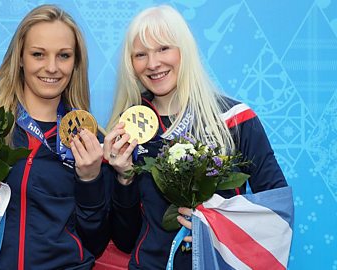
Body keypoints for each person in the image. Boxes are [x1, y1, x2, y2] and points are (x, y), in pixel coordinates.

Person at [103, 5, 289, 269]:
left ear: (184, 50)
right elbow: (124, 239)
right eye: (141, 54)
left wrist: (218, 227)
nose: (153, 63)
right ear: (131, 64)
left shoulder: (235, 119)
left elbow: (277, 214)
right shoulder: (128, 131)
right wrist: (123, 177)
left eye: (164, 48)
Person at [0, 5, 111, 269]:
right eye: (38, 54)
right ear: (20, 58)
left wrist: (90, 179)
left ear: (76, 63)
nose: (52, 67)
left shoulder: (90, 140)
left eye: (64, 55)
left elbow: (97, 241)